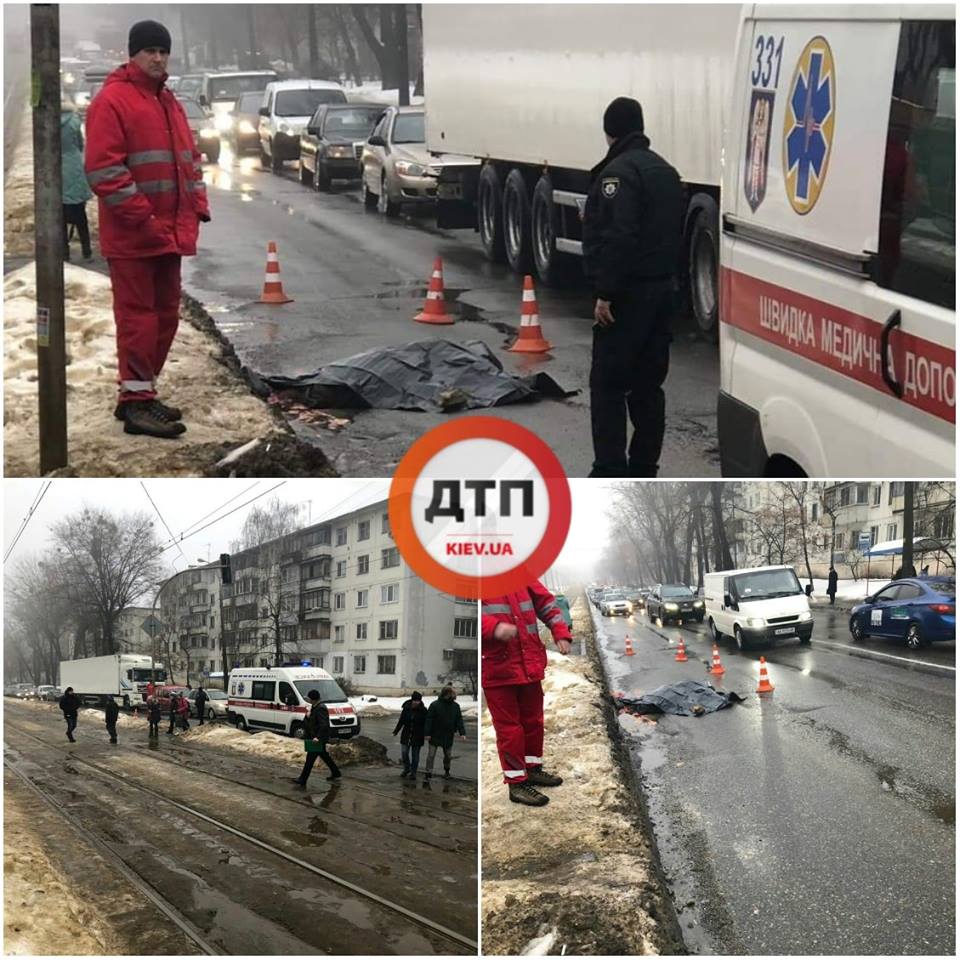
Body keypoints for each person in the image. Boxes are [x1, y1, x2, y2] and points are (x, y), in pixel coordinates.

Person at [84, 19, 210, 440]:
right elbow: (104, 172)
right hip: (134, 236)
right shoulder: (114, 101)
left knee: (165, 318)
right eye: (149, 51)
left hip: (169, 233)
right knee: (139, 320)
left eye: (163, 51)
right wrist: (145, 217)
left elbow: (188, 162)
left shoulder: (168, 101)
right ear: (132, 54)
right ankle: (138, 404)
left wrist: (198, 208)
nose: (158, 58)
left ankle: (139, 393)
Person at [582, 96, 683, 478]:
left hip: (628, 296)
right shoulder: (666, 172)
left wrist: (605, 292)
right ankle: (644, 466)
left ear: (610, 131)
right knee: (648, 387)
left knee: (607, 385)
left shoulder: (618, 174)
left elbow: (620, 237)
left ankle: (609, 467)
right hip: (662, 292)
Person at [481, 581, 573, 807]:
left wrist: (560, 632)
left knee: (533, 722)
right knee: (510, 729)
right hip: (498, 669)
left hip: (528, 663)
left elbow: (546, 603)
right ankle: (516, 783)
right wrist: (493, 628)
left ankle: (532, 769)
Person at [60, 93, 93, 261]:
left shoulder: (49, 123)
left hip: (57, 167)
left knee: (59, 217)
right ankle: (86, 250)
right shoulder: (74, 120)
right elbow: (80, 144)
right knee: (81, 215)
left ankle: (64, 252)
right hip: (74, 166)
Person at [294, 690, 341, 786]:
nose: (309, 700)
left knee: (310, 759)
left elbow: (323, 725)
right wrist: (307, 716)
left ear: (313, 699)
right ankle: (336, 773)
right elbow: (311, 722)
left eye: (309, 699)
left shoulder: (320, 708)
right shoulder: (315, 707)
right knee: (324, 755)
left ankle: (302, 779)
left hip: (318, 739)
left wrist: (318, 737)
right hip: (316, 737)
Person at [423, 686, 467, 781]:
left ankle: (447, 771)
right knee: (431, 755)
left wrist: (462, 732)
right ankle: (428, 772)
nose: (454, 695)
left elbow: (459, 720)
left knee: (447, 756)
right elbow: (429, 720)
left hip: (448, 735)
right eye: (452, 693)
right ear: (446, 694)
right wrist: (427, 733)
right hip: (435, 734)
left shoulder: (455, 706)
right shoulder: (435, 705)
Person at [393, 691, 427, 779]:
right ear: (412, 700)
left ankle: (413, 772)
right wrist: (396, 731)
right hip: (406, 734)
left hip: (418, 736)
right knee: (404, 753)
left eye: (418, 701)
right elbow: (401, 721)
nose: (416, 702)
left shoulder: (423, 710)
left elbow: (427, 723)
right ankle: (406, 768)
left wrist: (427, 734)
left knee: (415, 756)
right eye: (415, 700)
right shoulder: (406, 708)